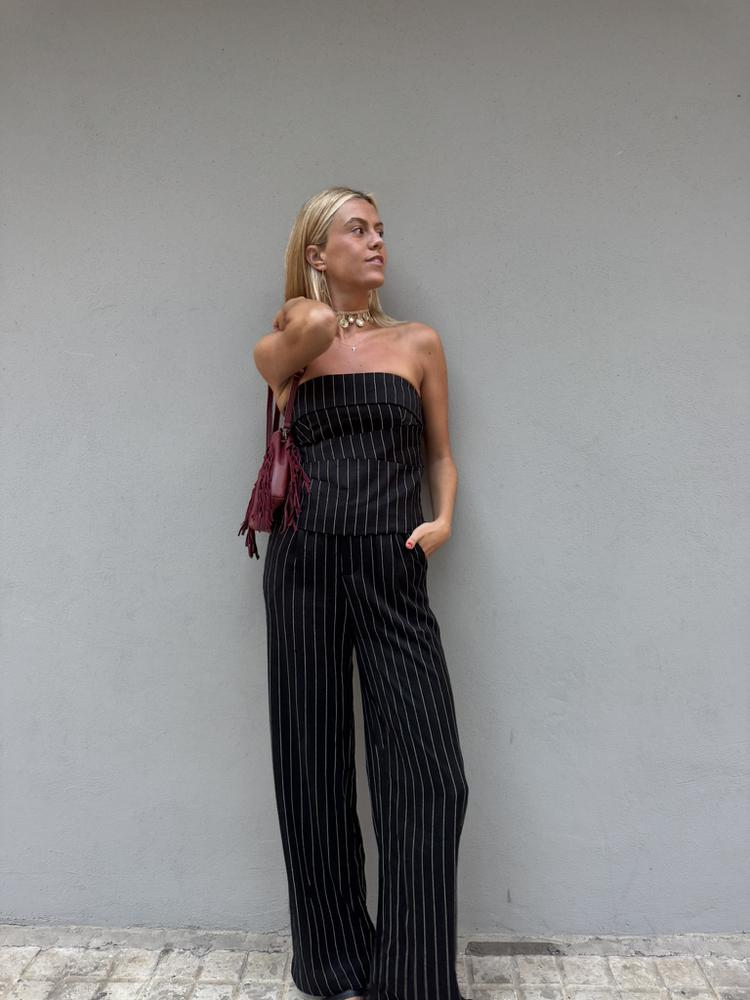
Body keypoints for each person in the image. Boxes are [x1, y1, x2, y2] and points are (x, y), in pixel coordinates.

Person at [252, 186, 469, 1000]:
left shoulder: (417, 342)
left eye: (381, 229)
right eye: (357, 229)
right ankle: (334, 961)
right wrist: (314, 309)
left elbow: (439, 454)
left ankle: (410, 977)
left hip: (391, 559)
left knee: (431, 775)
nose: (378, 241)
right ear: (317, 252)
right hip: (303, 559)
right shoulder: (293, 340)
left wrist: (441, 520)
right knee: (310, 763)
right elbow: (291, 345)